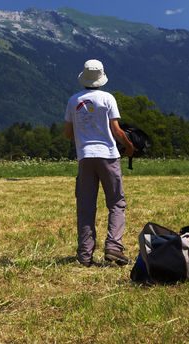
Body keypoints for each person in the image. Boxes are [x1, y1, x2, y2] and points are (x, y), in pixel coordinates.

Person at [64, 59, 134, 266]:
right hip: (108, 155)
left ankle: (85, 256)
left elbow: (68, 133)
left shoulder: (73, 101)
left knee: (86, 205)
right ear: (101, 77)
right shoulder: (108, 98)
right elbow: (117, 131)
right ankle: (113, 247)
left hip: (85, 156)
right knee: (116, 203)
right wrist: (129, 146)